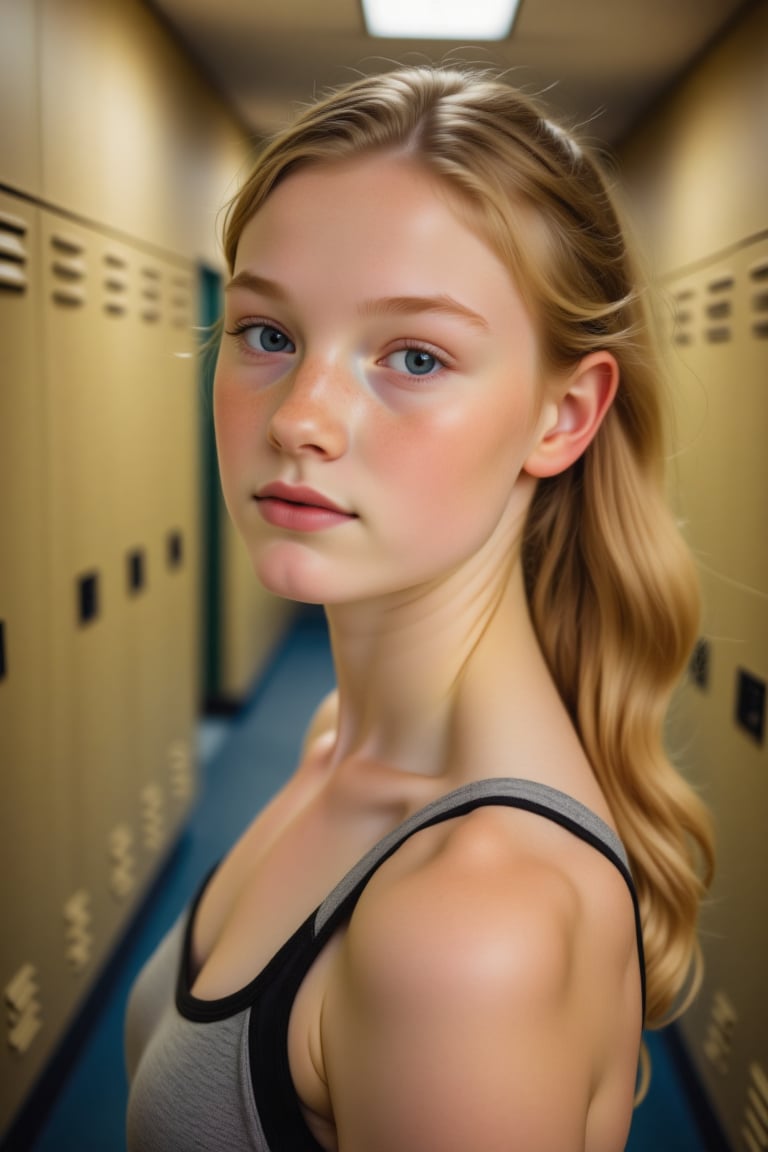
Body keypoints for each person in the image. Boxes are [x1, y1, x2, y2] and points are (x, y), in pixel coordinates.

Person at [125, 67, 714, 1151]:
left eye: (414, 357)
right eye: (267, 334)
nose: (303, 417)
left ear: (563, 416)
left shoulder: (467, 929)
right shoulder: (334, 742)